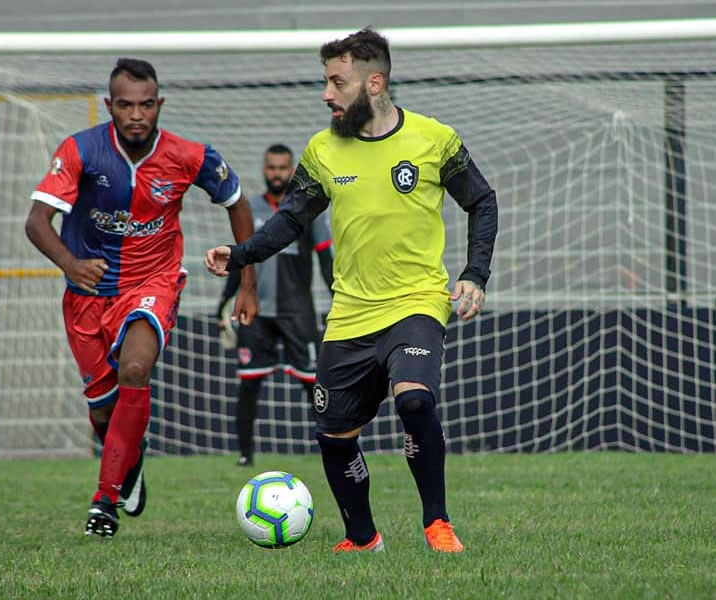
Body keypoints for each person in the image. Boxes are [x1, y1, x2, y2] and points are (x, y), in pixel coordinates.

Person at [206, 28, 497, 553]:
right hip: (350, 312)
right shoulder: (323, 150)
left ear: (374, 83)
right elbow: (290, 220)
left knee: (414, 400)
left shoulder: (434, 139)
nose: (326, 94)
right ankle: (363, 538)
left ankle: (437, 523)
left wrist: (475, 274)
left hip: (416, 301)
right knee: (335, 435)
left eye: (337, 83)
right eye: (325, 82)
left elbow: (482, 200)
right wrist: (241, 253)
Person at [26, 58, 258, 538]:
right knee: (102, 410)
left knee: (135, 368)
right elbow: (36, 222)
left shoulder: (189, 155)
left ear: (160, 104)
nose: (136, 115)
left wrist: (247, 281)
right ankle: (130, 458)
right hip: (87, 294)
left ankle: (104, 502)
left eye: (146, 105)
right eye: (126, 105)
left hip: (153, 283)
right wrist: (71, 264)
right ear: (109, 105)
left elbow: (237, 203)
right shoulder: (81, 150)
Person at [216, 143, 334, 467]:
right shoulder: (250, 209)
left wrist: (339, 298)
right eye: (272, 168)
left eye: (283, 168)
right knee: (249, 384)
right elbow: (239, 261)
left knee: (314, 385)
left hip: (298, 312)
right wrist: (224, 303)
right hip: (256, 314)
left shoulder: (308, 210)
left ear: (292, 171)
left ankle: (331, 447)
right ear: (264, 170)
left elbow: (326, 259)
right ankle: (245, 455)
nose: (277, 174)